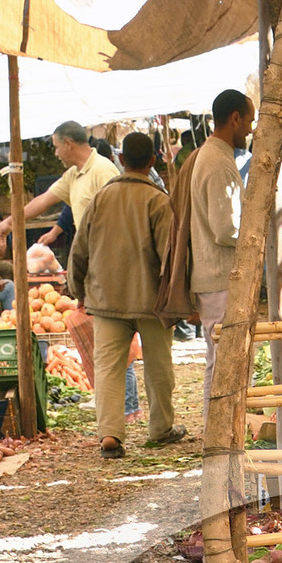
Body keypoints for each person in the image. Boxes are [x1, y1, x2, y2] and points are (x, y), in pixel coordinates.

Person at [67, 129, 185, 458]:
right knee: (159, 367)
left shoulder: (101, 198)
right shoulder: (159, 201)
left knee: (108, 369)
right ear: (152, 161)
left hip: (106, 301)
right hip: (151, 302)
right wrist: (179, 300)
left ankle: (110, 435)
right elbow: (170, 257)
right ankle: (161, 428)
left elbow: (79, 250)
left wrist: (77, 289)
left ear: (120, 160)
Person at [189, 87, 254, 424]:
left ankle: (222, 432)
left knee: (223, 360)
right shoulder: (218, 164)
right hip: (218, 277)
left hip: (215, 277)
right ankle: (218, 434)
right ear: (234, 119)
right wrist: (254, 235)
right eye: (249, 121)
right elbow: (224, 229)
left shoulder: (215, 157)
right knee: (225, 361)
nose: (250, 129)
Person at [0, 120, 116, 249]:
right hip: (89, 252)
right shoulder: (72, 174)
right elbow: (43, 200)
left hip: (106, 252)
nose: (56, 154)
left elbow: (117, 218)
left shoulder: (103, 170)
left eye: (56, 147)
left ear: (68, 143)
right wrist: (10, 222)